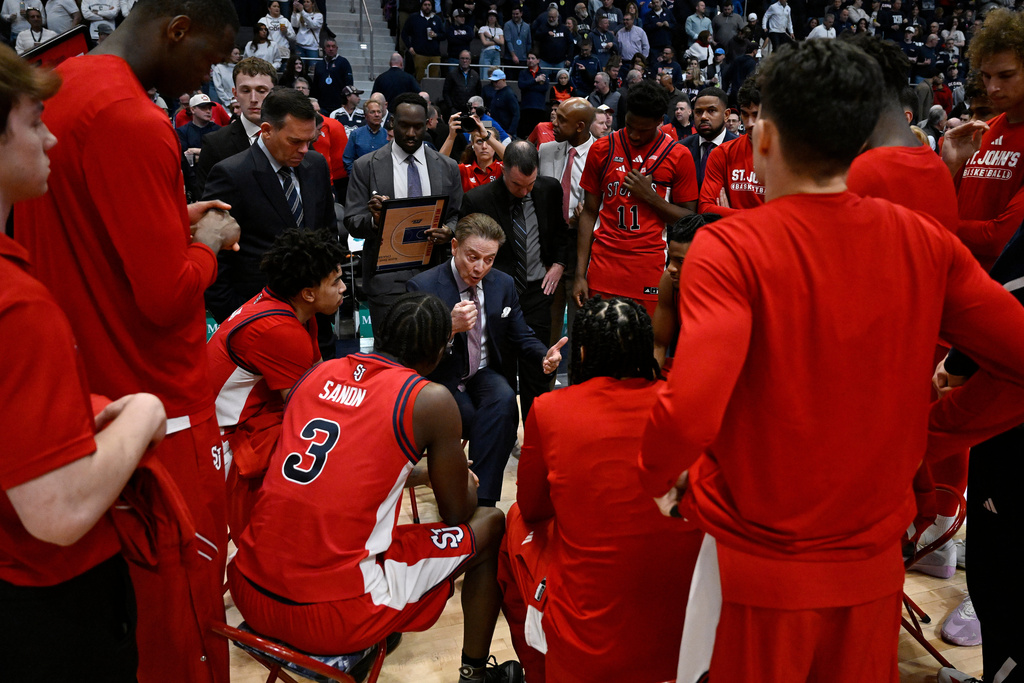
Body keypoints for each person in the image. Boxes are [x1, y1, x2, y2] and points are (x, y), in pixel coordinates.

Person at [637, 39, 1024, 683]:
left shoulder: (730, 246)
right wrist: (934, 433)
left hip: (764, 573)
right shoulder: (927, 242)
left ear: (763, 138)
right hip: (872, 566)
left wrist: (656, 471)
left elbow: (690, 407)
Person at [13, 2, 243, 682]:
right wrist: (204, 247)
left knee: (129, 623)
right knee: (186, 628)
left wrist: (171, 217)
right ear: (176, 29)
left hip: (89, 395)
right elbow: (166, 295)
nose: (207, 77)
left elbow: (95, 228)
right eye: (206, 58)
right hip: (159, 412)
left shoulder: (63, 85)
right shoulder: (135, 118)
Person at [227, 291, 525, 683]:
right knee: (491, 521)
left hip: (249, 589)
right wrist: (460, 479)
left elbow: (336, 462)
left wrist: (419, 473)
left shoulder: (317, 373)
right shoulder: (429, 399)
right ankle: (474, 674)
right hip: (330, 616)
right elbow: (457, 512)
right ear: (441, 348)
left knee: (371, 535)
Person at [0, 42, 167, 683]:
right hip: (45, 599)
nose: (50, 141)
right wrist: (143, 411)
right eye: (35, 121)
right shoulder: (17, 305)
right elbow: (60, 510)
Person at [501, 295, 703, 683]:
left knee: (511, 520)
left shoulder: (550, 409)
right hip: (692, 629)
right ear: (649, 349)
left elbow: (533, 508)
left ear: (581, 351)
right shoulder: (689, 404)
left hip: (590, 642)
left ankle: (527, 672)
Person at [407, 214, 567, 506]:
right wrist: (449, 327)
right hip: (440, 376)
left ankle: (481, 501)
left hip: (483, 371)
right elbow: (411, 353)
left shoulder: (503, 284)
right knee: (483, 419)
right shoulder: (423, 286)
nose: (480, 267)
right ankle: (470, 499)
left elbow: (521, 334)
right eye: (472, 257)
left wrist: (544, 354)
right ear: (454, 246)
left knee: (506, 400)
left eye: (489, 259)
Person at [208, 228, 346, 537]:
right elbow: (308, 413)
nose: (343, 288)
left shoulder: (293, 308)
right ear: (308, 293)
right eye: (335, 281)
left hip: (249, 420)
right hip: (223, 443)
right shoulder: (280, 330)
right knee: (331, 446)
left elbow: (319, 378)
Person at [203, 88, 336, 321]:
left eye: (309, 141)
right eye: (295, 141)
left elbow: (327, 233)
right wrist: (237, 319)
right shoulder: (231, 174)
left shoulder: (316, 165)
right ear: (266, 131)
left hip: (315, 319)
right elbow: (215, 261)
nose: (305, 149)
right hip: (257, 319)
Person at [459, 141, 569, 421]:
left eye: (530, 184)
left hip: (537, 291)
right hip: (495, 295)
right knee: (501, 368)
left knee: (538, 364)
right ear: (502, 170)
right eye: (518, 184)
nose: (524, 191)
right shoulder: (478, 199)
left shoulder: (549, 189)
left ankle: (534, 434)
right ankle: (503, 434)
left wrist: (559, 264)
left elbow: (559, 233)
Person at [574, 79, 697, 317]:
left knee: (643, 349)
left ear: (660, 122)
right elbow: (589, 213)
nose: (634, 135)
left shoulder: (678, 155)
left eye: (643, 130)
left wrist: (650, 197)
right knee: (600, 348)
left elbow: (689, 219)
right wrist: (580, 274)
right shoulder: (601, 149)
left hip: (649, 267)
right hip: (603, 266)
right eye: (629, 125)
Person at [345, 93, 462, 335]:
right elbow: (352, 221)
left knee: (432, 354)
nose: (411, 133)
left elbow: (458, 215)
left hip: (435, 276)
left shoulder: (448, 167)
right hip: (386, 280)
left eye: (418, 127)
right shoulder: (366, 166)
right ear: (392, 123)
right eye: (404, 126)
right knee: (389, 359)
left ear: (427, 124)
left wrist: (449, 231)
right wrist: (375, 221)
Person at [942, 8, 1024, 271]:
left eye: (1005, 76)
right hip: (958, 277)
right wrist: (949, 167)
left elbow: (1002, 239)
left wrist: (941, 224)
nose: (992, 88)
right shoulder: (981, 130)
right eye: (987, 76)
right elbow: (938, 207)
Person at [538, 97, 595, 345]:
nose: (554, 124)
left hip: (583, 247)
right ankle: (544, 383)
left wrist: (593, 213)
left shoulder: (601, 154)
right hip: (548, 247)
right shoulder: (546, 150)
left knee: (579, 329)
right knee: (545, 329)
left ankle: (575, 383)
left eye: (561, 119)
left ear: (580, 126)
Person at [195, 57, 277, 198]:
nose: (253, 98)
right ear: (235, 94)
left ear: (273, 93)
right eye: (245, 90)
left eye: (261, 91)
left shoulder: (292, 137)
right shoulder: (215, 144)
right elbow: (206, 201)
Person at [652, 214, 717, 368]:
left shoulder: (732, 291)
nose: (671, 268)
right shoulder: (670, 281)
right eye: (670, 258)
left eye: (680, 261)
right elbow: (659, 345)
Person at [698, 76, 763, 214]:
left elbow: (789, 216)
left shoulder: (789, 157)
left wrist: (731, 216)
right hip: (732, 236)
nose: (750, 123)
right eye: (745, 114)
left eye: (756, 114)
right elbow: (706, 208)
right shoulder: (722, 153)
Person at [681, 86, 736, 189]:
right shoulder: (682, 149)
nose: (703, 117)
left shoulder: (740, 148)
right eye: (698, 112)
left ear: (726, 115)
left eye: (711, 110)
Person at [442, 113, 506, 192]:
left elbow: (515, 160)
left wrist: (487, 136)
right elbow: (439, 167)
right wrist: (451, 137)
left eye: (488, 142)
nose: (484, 146)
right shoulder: (464, 170)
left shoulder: (503, 168)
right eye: (479, 141)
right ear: (472, 145)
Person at [342, 97, 388, 172]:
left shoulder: (387, 135)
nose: (376, 115)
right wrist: (354, 176)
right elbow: (347, 159)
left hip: (382, 178)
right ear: (366, 116)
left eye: (379, 112)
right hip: (361, 178)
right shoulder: (356, 134)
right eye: (372, 112)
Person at [402, 0, 445, 79]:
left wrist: (436, 35)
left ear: (432, 7)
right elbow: (404, 34)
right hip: (419, 54)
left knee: (434, 81)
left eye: (429, 5)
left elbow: (444, 35)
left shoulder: (437, 19)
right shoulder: (413, 18)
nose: (427, 7)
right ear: (421, 6)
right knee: (420, 80)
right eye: (425, 4)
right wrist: (410, 47)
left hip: (435, 55)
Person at [177, 93, 221, 169]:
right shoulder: (182, 132)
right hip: (192, 176)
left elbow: (222, 155)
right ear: (192, 110)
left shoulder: (218, 130)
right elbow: (185, 160)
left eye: (210, 108)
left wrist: (197, 151)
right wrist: (210, 155)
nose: (208, 111)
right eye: (203, 108)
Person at [311, 39, 354, 115]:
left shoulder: (343, 62)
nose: (331, 49)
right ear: (324, 48)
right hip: (322, 105)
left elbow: (349, 84)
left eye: (333, 46)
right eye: (328, 46)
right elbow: (315, 85)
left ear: (336, 48)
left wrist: (346, 102)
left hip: (339, 105)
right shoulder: (319, 64)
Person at [478, 9, 504, 79]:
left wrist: (490, 36)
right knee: (485, 75)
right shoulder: (483, 28)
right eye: (490, 16)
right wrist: (496, 42)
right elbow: (485, 43)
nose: (491, 18)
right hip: (486, 52)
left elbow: (502, 42)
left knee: (496, 75)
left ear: (496, 18)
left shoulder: (499, 30)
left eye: (493, 16)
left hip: (496, 53)